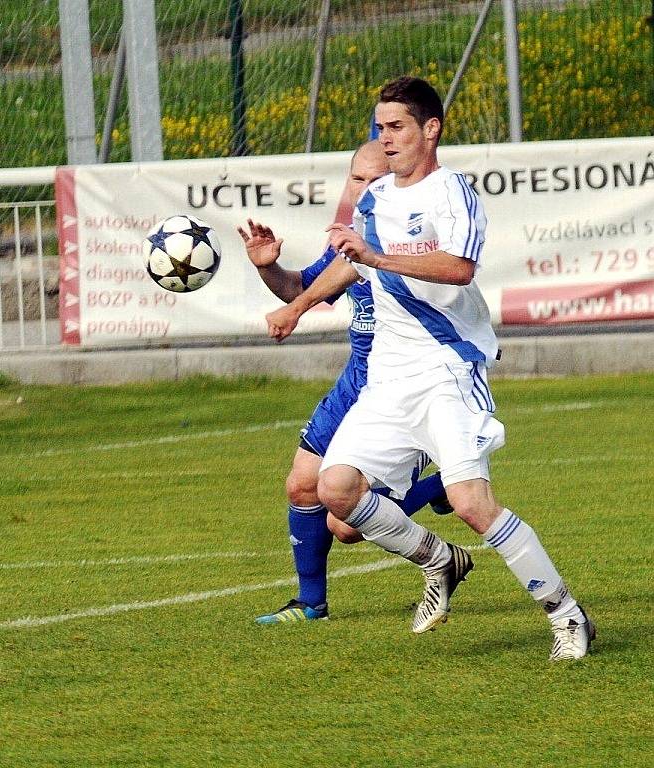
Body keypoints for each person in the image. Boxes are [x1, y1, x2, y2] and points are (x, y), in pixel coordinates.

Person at [266, 77, 595, 661]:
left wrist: (376, 256)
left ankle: (567, 616)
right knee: (335, 490)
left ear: (430, 129)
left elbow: (459, 268)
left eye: (396, 127)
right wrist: (297, 304)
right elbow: (353, 266)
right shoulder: (377, 199)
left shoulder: (454, 193)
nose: (385, 139)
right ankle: (440, 562)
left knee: (472, 504)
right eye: (380, 128)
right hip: (389, 378)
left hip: (448, 370)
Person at [237, 140, 451, 625]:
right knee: (300, 487)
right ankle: (311, 603)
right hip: (356, 382)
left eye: (376, 179)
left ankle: (442, 485)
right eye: (357, 179)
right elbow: (302, 290)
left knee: (347, 525)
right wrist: (269, 266)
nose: (364, 189)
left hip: (408, 388)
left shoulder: (416, 237)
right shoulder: (352, 238)